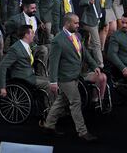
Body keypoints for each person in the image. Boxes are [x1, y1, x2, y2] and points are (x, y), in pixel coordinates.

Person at [41, 13, 100, 142]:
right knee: (76, 102)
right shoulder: (58, 40)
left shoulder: (77, 35)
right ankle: (82, 132)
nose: (78, 25)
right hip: (65, 78)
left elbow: (83, 52)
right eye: (76, 23)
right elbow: (53, 64)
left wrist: (94, 65)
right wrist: (53, 82)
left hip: (75, 75)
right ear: (67, 24)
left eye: (78, 23)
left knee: (61, 101)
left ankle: (48, 126)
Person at [0, 24, 53, 100]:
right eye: (32, 33)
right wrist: (2, 87)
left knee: (52, 80)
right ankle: (51, 109)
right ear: (26, 35)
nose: (34, 35)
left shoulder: (27, 45)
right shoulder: (15, 49)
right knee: (48, 84)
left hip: (30, 75)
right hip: (23, 78)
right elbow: (2, 66)